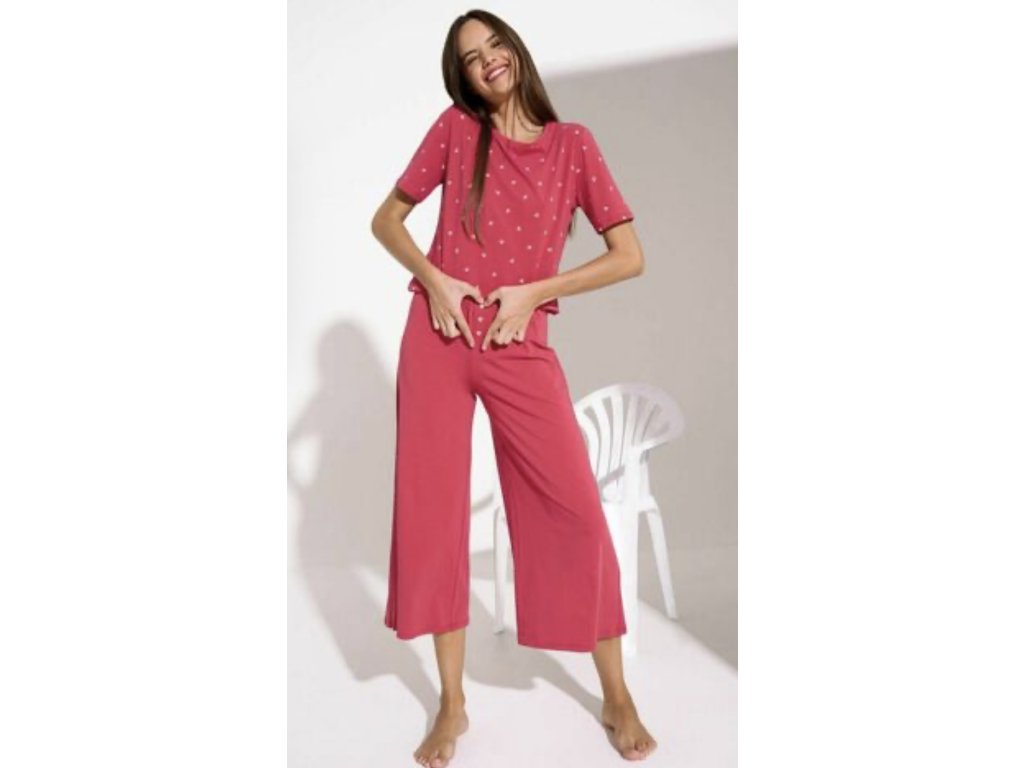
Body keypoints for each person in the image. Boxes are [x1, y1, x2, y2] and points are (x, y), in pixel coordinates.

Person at [371, 10, 657, 766]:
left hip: (517, 345)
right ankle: (452, 703)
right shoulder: (454, 132)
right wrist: (432, 278)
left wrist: (536, 291)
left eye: (494, 45)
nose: (487, 61)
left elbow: (628, 255)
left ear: (515, 52)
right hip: (435, 340)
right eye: (471, 57)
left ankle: (616, 693)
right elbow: (386, 220)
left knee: (574, 511)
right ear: (462, 77)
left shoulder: (573, 145)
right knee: (432, 519)